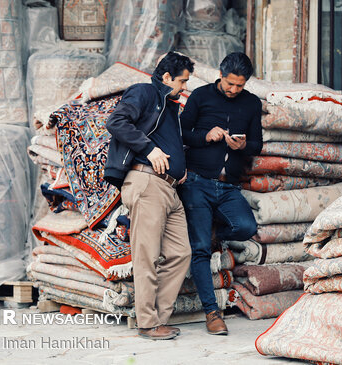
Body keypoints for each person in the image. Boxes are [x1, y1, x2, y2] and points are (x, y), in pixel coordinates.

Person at [104, 52, 194, 340]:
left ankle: (159, 319)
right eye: (182, 81)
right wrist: (149, 149)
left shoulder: (170, 105)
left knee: (181, 253)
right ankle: (147, 323)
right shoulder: (144, 92)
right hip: (146, 182)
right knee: (147, 256)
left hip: (170, 187)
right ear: (166, 77)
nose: (184, 87)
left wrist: (180, 168)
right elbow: (116, 121)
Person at [178, 52, 262, 335]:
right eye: (230, 84)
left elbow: (258, 145)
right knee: (200, 249)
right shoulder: (200, 96)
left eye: (240, 85)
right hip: (197, 182)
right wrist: (205, 136)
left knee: (246, 226)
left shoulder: (251, 103)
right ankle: (212, 313)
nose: (234, 90)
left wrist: (244, 146)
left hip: (228, 185)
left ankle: (213, 232)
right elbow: (180, 133)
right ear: (221, 74)